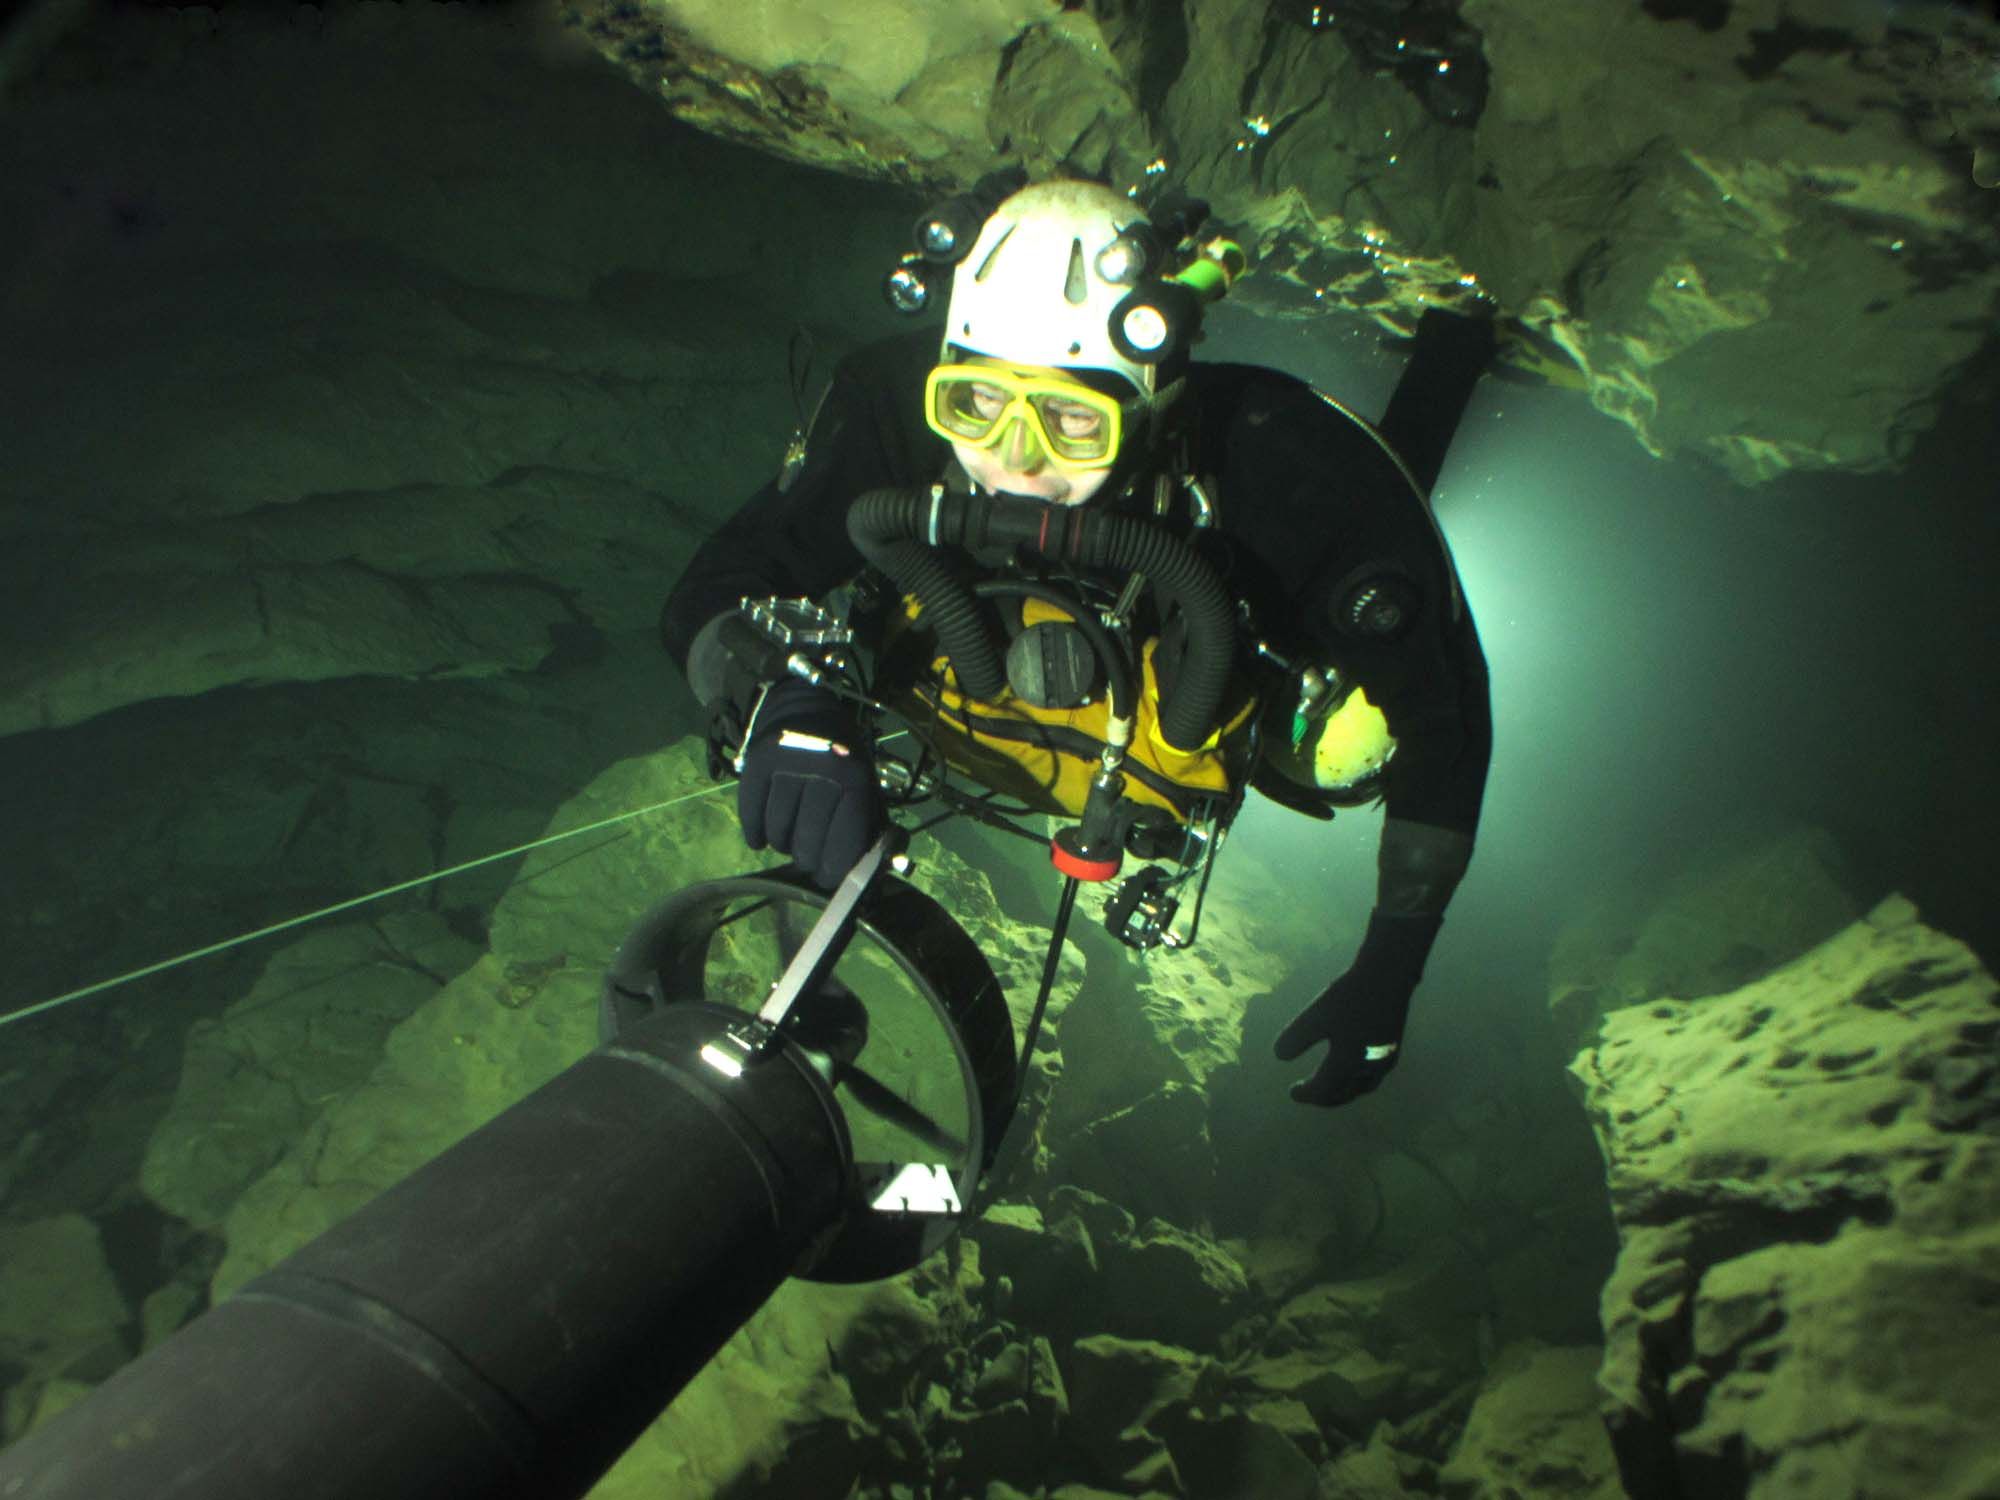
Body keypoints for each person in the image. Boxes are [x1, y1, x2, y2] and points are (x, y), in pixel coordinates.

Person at [660, 178, 1493, 1110]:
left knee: (1357, 699)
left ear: (1150, 401)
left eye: (1072, 421)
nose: (1015, 462)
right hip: (962, 697)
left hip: (1188, 712)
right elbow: (715, 583)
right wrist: (787, 702)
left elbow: (1443, 708)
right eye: (974, 405)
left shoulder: (1283, 463)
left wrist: (1394, 962)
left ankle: (1457, 344)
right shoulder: (891, 410)